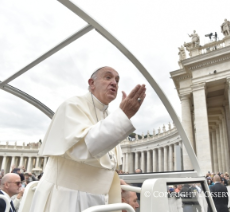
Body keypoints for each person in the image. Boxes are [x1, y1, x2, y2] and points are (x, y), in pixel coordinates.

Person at [29, 66, 146, 212]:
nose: (114, 83)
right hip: (67, 198)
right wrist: (123, 116)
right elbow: (83, 148)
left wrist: (113, 182)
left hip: (97, 199)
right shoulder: (72, 105)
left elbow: (107, 163)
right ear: (92, 83)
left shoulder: (108, 115)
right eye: (108, 77)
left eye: (117, 80)